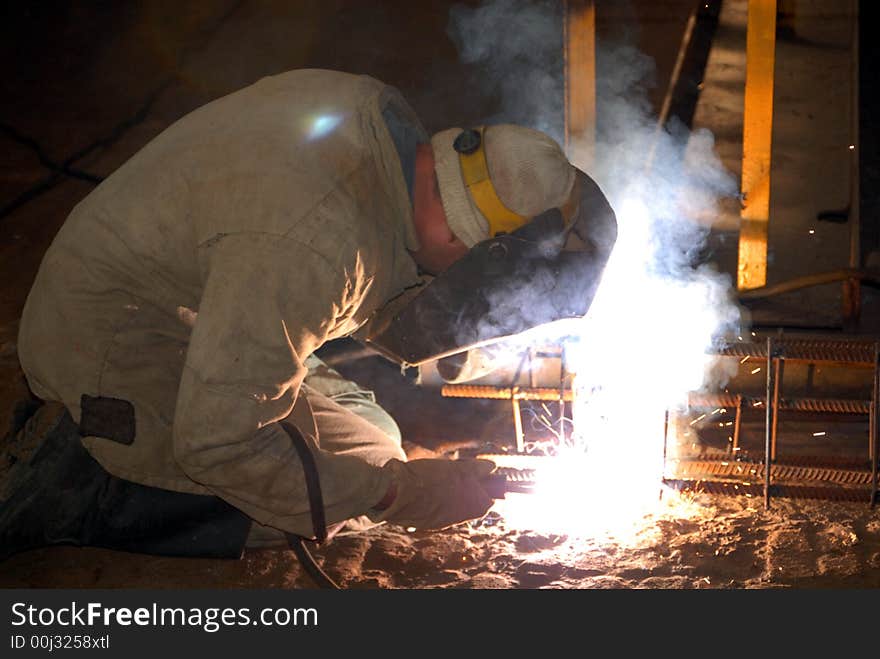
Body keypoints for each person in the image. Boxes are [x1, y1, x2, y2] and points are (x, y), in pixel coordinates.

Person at [1, 68, 615, 560]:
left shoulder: (380, 124)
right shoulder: (316, 248)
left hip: (198, 306)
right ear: (468, 244)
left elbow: (375, 269)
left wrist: (476, 349)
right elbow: (221, 442)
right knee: (334, 495)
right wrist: (401, 493)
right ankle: (84, 481)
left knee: (373, 437)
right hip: (110, 342)